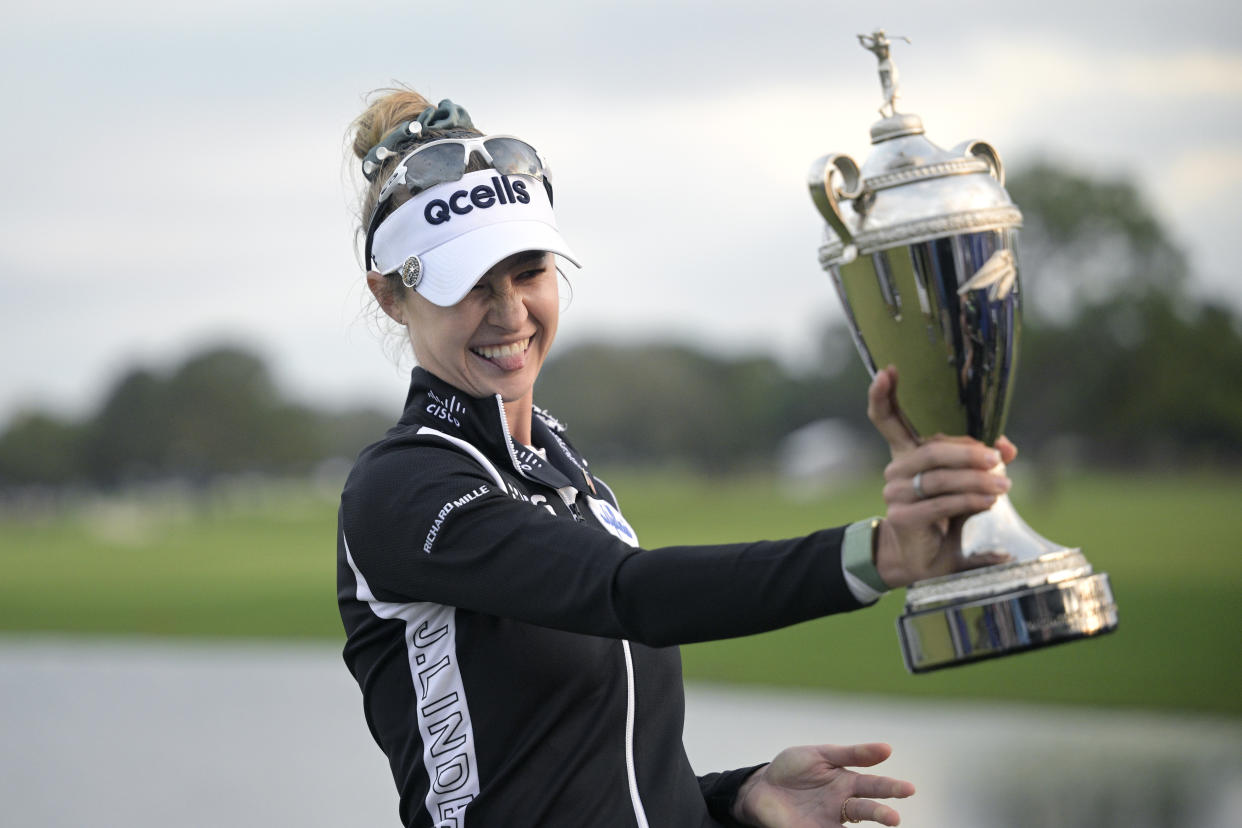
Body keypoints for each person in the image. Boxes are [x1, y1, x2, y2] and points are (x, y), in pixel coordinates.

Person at [337, 89, 1017, 828]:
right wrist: (877, 554)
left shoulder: (564, 470)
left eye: (528, 272)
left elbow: (584, 776)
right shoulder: (401, 489)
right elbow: (632, 594)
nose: (509, 313)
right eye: (470, 285)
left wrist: (735, 800)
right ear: (390, 297)